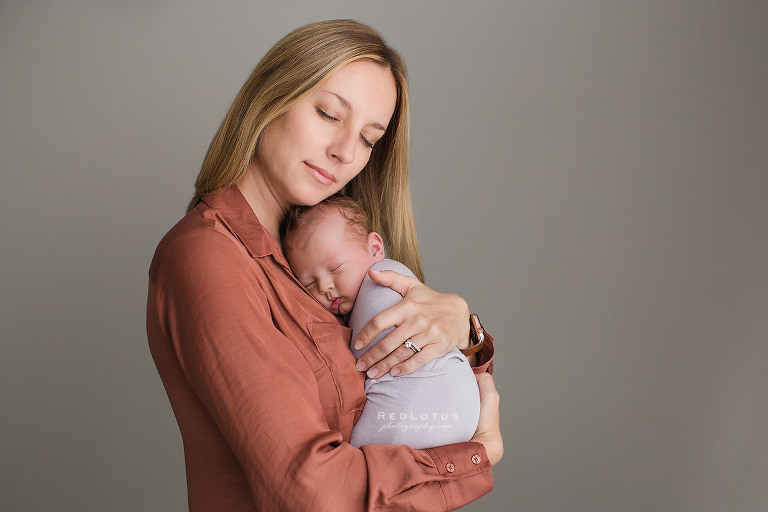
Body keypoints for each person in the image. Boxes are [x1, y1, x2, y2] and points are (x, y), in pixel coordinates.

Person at [146, 19, 502, 512]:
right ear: (272, 95)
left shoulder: (323, 265)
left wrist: (463, 331)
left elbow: (410, 387)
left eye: (369, 138)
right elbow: (313, 491)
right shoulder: (208, 256)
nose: (344, 152)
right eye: (329, 114)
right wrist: (475, 456)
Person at [283, 194, 481, 450]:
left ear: (375, 249)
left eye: (336, 268)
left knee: (352, 462)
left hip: (424, 413)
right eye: (308, 283)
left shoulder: (384, 281)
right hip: (460, 415)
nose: (324, 287)